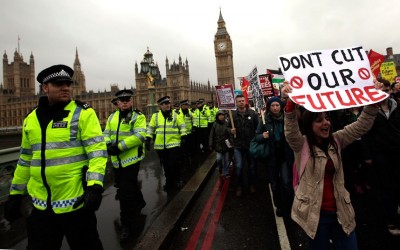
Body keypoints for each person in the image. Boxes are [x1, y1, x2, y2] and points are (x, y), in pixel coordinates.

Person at [4, 64, 107, 249]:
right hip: (41, 207)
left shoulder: (83, 113)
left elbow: (97, 153)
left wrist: (95, 187)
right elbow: (25, 160)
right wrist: (15, 195)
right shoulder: (31, 119)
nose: (66, 87)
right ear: (45, 87)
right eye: (59, 84)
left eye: (68, 83)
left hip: (76, 203)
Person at [281, 81, 380, 249]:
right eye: (319, 120)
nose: (326, 123)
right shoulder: (301, 144)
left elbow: (362, 125)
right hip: (315, 215)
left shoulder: (337, 140)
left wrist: (373, 100)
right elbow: (290, 130)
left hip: (341, 212)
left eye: (327, 119)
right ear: (309, 125)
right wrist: (290, 104)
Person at [103, 89, 147, 242]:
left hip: (131, 160)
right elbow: (106, 133)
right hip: (116, 161)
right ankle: (140, 202)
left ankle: (126, 225)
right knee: (129, 186)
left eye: (128, 99)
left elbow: (140, 136)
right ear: (118, 103)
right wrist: (107, 144)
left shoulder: (138, 117)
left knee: (125, 193)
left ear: (131, 101)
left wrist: (119, 147)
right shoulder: (112, 117)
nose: (125, 102)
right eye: (122, 100)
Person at [362, 78, 400, 236]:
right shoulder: (370, 111)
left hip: (397, 152)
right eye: (380, 91)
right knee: (387, 188)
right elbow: (364, 133)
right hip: (380, 154)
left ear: (389, 91)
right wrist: (368, 155)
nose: (383, 94)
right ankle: (391, 220)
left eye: (385, 91)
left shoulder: (397, 107)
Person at [255, 96, 294, 217]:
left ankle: (289, 206)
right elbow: (256, 137)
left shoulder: (287, 119)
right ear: (269, 107)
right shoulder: (264, 120)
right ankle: (279, 206)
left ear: (281, 106)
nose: (275, 108)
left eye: (277, 105)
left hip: (285, 157)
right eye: (273, 106)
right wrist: (263, 136)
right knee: (275, 185)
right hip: (271, 158)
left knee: (287, 183)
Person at [145, 96, 187, 191]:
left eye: (168, 103)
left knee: (174, 164)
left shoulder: (176, 115)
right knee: (166, 166)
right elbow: (151, 128)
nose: (168, 105)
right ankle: (169, 182)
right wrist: (148, 138)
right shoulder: (155, 116)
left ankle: (177, 180)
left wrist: (183, 136)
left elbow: (182, 126)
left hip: (174, 144)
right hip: (161, 146)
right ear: (160, 106)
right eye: (165, 104)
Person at [228, 94, 259, 197]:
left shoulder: (252, 113)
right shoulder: (232, 115)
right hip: (238, 145)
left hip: (250, 144)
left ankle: (252, 184)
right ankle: (239, 187)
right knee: (238, 167)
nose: (241, 102)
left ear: (245, 101)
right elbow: (227, 128)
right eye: (239, 101)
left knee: (252, 166)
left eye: (242, 100)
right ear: (236, 103)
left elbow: (258, 127)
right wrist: (230, 130)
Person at [209, 110, 231, 179]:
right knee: (219, 159)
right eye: (219, 115)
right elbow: (211, 135)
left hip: (226, 145)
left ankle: (226, 172)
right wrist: (210, 144)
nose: (221, 117)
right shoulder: (215, 125)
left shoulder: (227, 123)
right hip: (218, 145)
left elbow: (230, 134)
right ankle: (220, 170)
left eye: (222, 115)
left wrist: (231, 143)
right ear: (217, 117)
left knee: (227, 160)